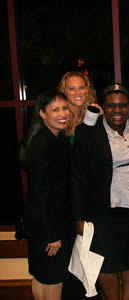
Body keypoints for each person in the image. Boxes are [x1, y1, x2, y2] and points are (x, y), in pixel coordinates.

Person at [70, 84, 129, 300]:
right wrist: (78, 217)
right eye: (111, 106)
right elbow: (78, 177)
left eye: (123, 105)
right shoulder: (89, 132)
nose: (118, 110)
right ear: (103, 107)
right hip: (103, 209)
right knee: (106, 261)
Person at [18, 89, 71, 300]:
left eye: (65, 108)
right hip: (48, 225)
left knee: (42, 275)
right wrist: (53, 234)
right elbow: (42, 194)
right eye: (55, 109)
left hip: (44, 222)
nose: (62, 114)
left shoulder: (55, 138)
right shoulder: (43, 145)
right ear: (42, 113)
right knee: (53, 278)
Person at [57, 71, 100, 139]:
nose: (78, 92)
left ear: (87, 90)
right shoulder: (58, 117)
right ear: (64, 92)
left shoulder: (91, 117)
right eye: (72, 88)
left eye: (82, 87)